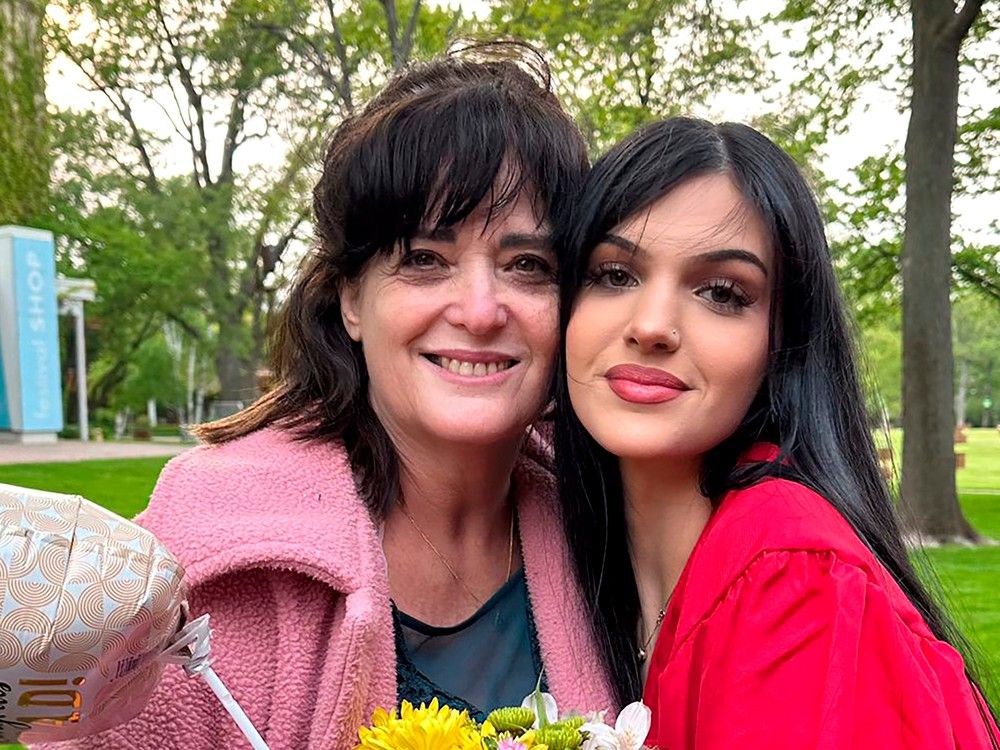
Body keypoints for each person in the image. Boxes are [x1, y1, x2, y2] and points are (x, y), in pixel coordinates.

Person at [34, 42, 614, 750]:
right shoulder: (207, 569)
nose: (482, 310)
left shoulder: (614, 527)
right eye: (425, 260)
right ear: (352, 302)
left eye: (528, 265)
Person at [554, 116, 1000, 748]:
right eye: (614, 275)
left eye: (721, 292)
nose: (652, 325)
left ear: (780, 344)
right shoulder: (573, 567)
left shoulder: (793, 584)